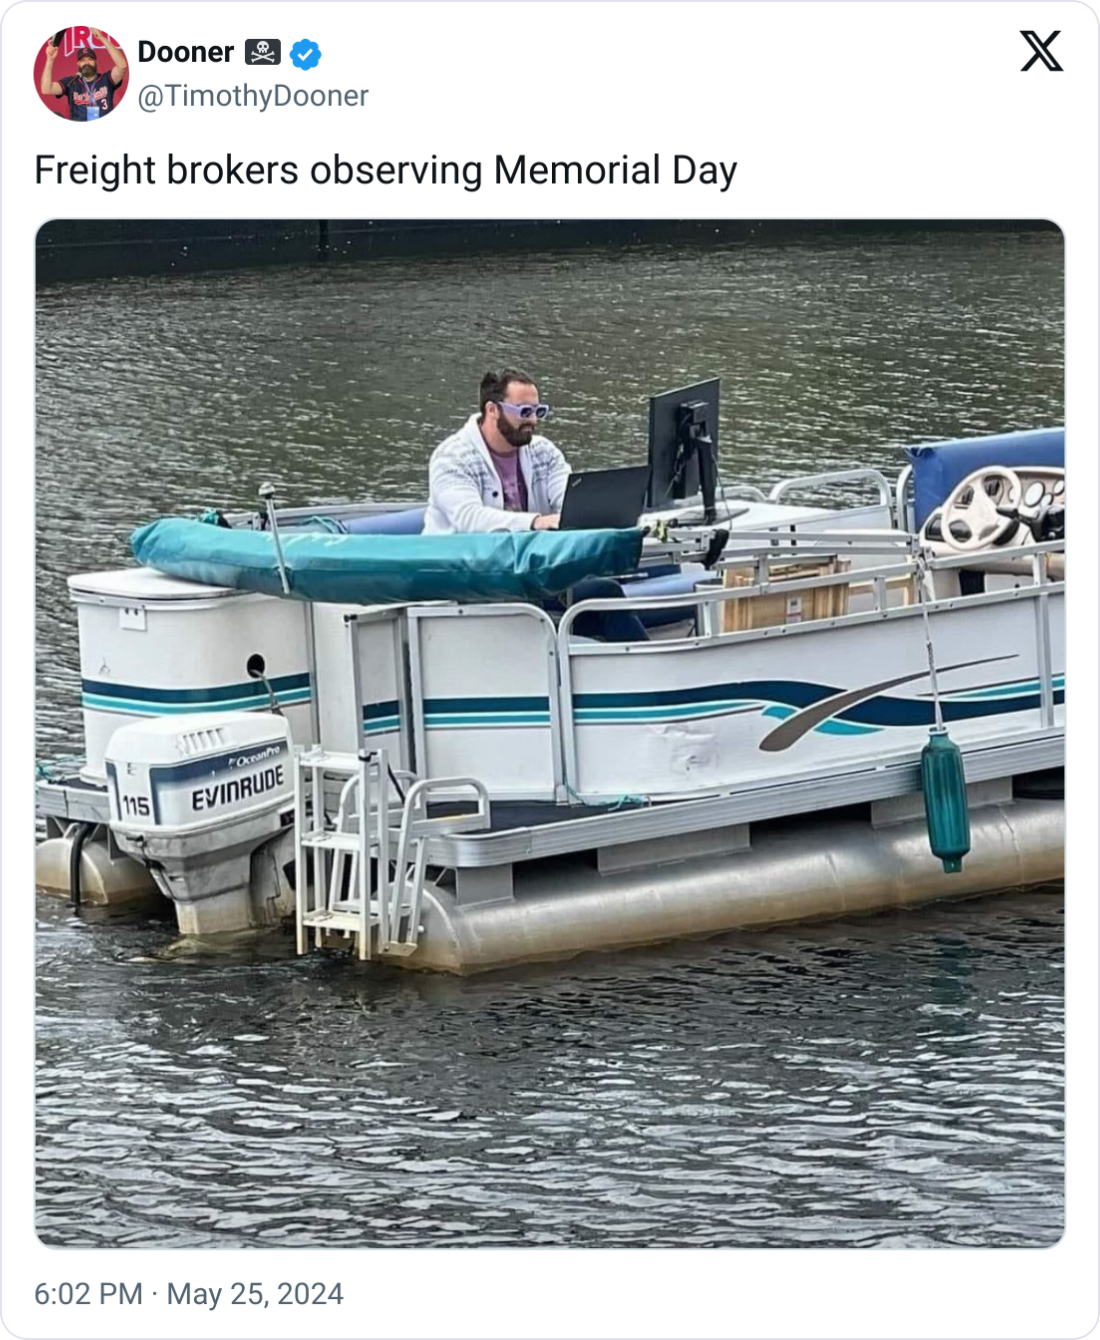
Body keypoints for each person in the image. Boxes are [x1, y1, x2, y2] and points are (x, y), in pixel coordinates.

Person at [424, 368, 648, 642]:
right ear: (492, 409)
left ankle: (650, 667)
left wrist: (599, 513)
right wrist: (535, 522)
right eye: (524, 412)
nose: (533, 420)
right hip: (471, 587)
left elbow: (567, 496)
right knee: (554, 609)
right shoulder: (452, 457)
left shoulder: (542, 451)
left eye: (538, 411)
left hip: (527, 579)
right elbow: (469, 519)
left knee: (606, 594)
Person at [41, 30, 127, 121]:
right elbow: (46, 89)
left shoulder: (106, 79)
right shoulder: (72, 82)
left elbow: (122, 66)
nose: (86, 62)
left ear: (96, 62)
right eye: (82, 60)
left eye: (90, 59)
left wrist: (102, 38)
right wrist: (50, 60)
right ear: (78, 63)